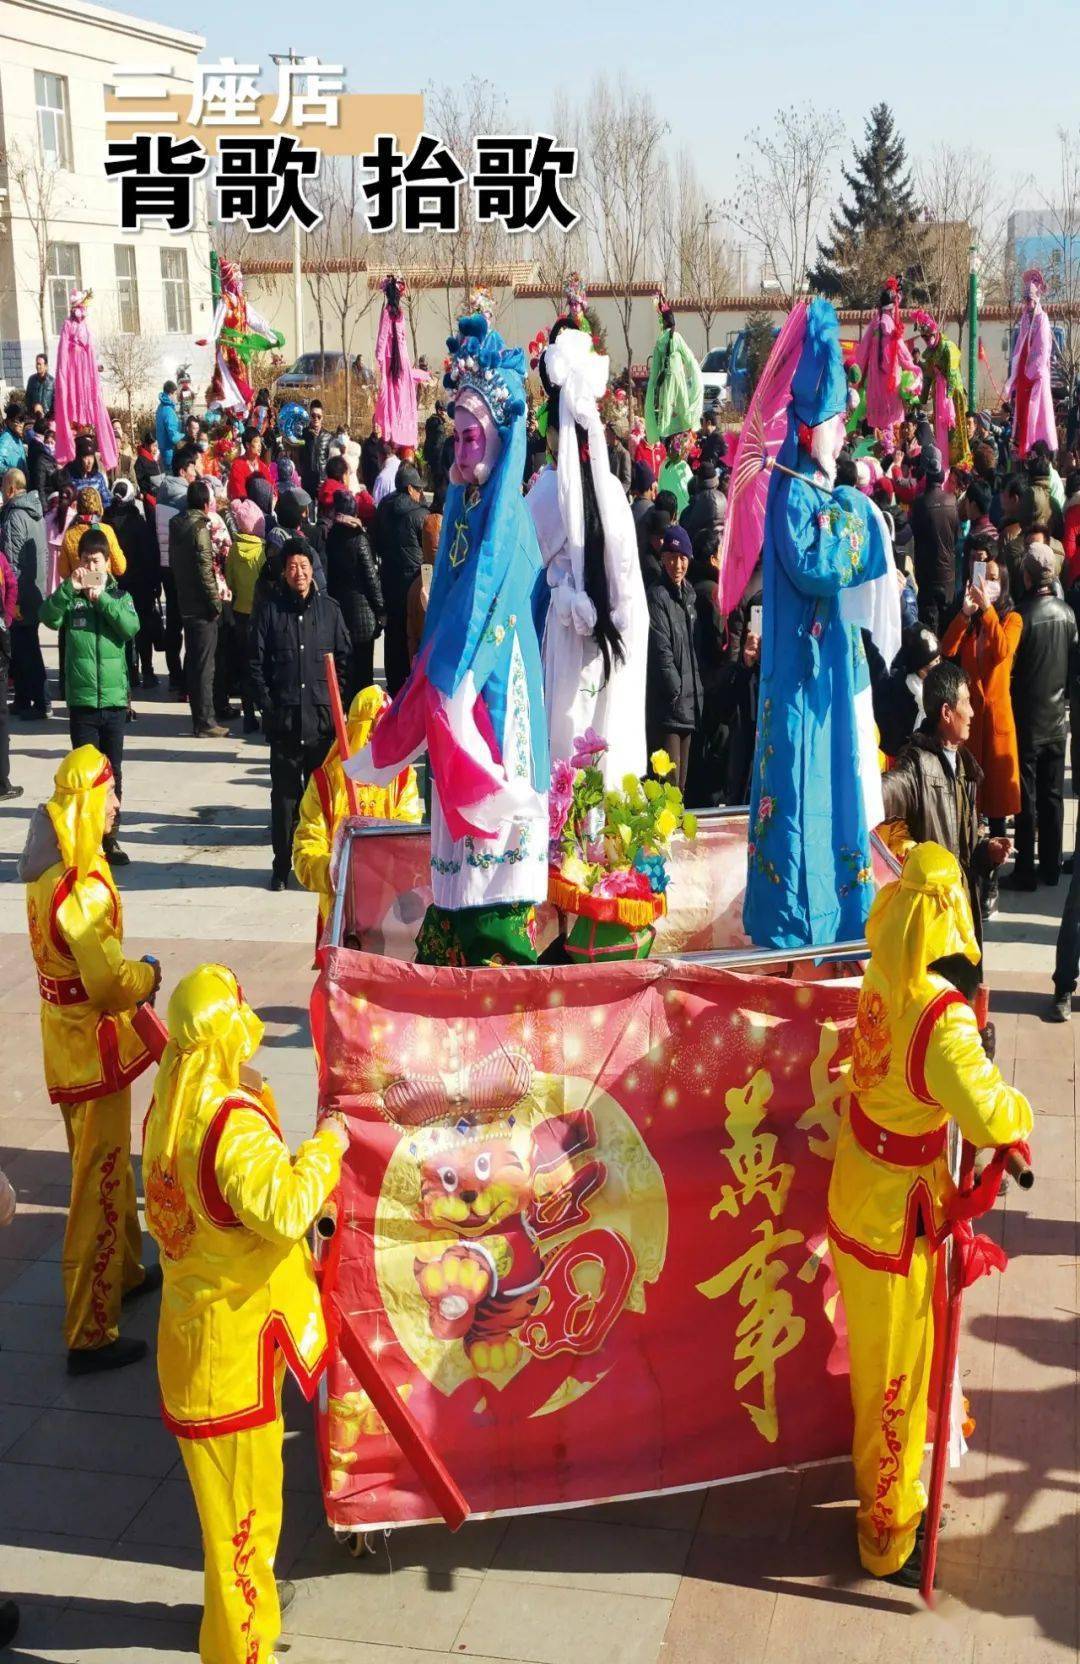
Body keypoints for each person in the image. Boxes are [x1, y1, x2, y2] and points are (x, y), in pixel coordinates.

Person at [827, 841, 1032, 1586]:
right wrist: (1017, 1111)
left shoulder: (886, 966)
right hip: (893, 1222)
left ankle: (899, 1489)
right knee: (896, 1382)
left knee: (889, 1369)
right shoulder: (941, 1019)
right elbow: (986, 1112)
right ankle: (886, 1535)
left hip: (863, 1190)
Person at [142, 964, 346, 1664]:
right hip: (232, 1356)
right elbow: (288, 1210)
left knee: (226, 1516)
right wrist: (328, 1148)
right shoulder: (228, 1125)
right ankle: (241, 1648)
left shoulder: (170, 1098)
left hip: (193, 1340)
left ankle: (238, 1613)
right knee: (244, 1523)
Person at [345, 305, 548, 968]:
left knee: (490, 798)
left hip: (493, 681)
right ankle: (459, 921)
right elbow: (445, 609)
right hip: (456, 677)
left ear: (498, 439)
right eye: (455, 439)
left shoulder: (509, 519)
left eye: (471, 438)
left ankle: (493, 937)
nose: (461, 451)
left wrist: (449, 679)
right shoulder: (462, 503)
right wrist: (426, 680)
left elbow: (486, 598)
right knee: (456, 811)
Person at [743, 298, 900, 951]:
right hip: (804, 685)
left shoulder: (809, 487)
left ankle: (835, 917)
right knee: (803, 791)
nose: (845, 434)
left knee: (836, 786)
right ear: (811, 430)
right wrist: (857, 501)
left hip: (825, 674)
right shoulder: (795, 491)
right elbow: (817, 564)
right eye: (839, 423)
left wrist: (845, 494)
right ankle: (800, 929)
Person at [18, 745, 161, 1372]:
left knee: (98, 1166)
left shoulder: (49, 869)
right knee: (96, 1185)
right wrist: (147, 976)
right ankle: (87, 1329)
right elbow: (107, 983)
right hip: (92, 1045)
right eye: (111, 795)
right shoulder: (78, 886)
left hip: (66, 1038)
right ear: (87, 802)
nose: (118, 807)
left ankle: (124, 1272)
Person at [529, 321, 648, 782]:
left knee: (566, 766)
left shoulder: (549, 494)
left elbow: (515, 559)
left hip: (570, 644)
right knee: (601, 764)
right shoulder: (613, 491)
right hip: (610, 647)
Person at [881, 662, 1010, 999]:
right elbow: (882, 794)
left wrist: (986, 852)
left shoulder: (965, 766)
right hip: (932, 922)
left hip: (962, 911)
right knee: (938, 1012)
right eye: (966, 702)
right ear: (947, 712)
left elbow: (965, 848)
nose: (972, 711)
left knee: (963, 1006)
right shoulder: (916, 764)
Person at [249, 543, 351, 891]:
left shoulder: (330, 611)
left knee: (325, 799)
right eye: (293, 566)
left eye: (305, 565)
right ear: (284, 572)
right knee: (285, 800)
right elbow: (255, 665)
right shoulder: (269, 612)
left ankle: (326, 865)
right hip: (286, 725)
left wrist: (338, 710)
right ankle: (281, 867)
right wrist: (269, 707)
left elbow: (345, 660)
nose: (299, 572)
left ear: (313, 569)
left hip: (322, 727)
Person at [40, 528, 139, 864]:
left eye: (96, 560)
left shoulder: (119, 596)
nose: (90, 565)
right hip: (82, 701)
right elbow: (48, 617)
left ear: (108, 563)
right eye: (84, 560)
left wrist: (103, 599)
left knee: (113, 772)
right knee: (84, 775)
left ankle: (110, 837)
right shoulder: (72, 598)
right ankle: (87, 838)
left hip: (112, 701)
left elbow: (130, 627)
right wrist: (71, 587)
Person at [293, 686, 422, 934]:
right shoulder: (324, 784)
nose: (376, 739)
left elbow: (407, 840)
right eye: (371, 730)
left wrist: (377, 869)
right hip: (341, 914)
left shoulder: (403, 779)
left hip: (390, 914)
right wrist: (340, 872)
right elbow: (305, 854)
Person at [939, 558, 1021, 913]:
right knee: (972, 806)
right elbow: (946, 650)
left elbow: (1002, 651)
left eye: (993, 579)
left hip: (998, 726)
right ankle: (972, 873)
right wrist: (965, 614)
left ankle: (993, 883)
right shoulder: (973, 621)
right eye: (982, 578)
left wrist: (987, 611)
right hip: (971, 726)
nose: (987, 585)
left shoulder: (1011, 620)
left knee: (998, 811)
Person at [1006, 546, 1077, 890]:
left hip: (1027, 720)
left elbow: (1009, 669)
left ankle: (1025, 869)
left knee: (1028, 798)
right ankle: (1050, 865)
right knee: (1052, 796)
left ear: (1028, 576)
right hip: (1055, 719)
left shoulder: (1021, 617)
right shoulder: (1067, 614)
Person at [645, 525, 703, 792]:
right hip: (669, 707)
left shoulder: (690, 596)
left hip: (689, 705)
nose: (677, 565)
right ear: (663, 558)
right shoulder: (657, 596)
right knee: (667, 785)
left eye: (682, 559)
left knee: (680, 786)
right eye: (671, 557)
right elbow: (661, 651)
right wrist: (675, 690)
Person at [170, 478, 228, 739]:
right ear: (206, 504)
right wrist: (215, 602)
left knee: (194, 660)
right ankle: (205, 720)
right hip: (202, 605)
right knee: (205, 664)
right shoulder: (199, 528)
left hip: (185, 599)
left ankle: (199, 716)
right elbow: (206, 569)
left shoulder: (177, 525)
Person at [373, 461, 428, 697]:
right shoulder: (420, 515)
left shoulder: (383, 508)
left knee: (392, 633)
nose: (420, 493)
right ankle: (410, 684)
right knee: (413, 634)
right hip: (412, 582)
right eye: (418, 488)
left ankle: (394, 684)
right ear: (409, 489)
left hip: (388, 579)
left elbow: (374, 542)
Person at [324, 490, 383, 701]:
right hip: (362, 614)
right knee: (364, 674)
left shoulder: (331, 536)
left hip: (340, 611)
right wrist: (381, 610)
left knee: (346, 670)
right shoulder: (359, 538)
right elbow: (371, 579)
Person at [1, 466, 50, 719]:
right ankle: (22, 699)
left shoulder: (13, 517)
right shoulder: (35, 513)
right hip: (36, 589)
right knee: (23, 649)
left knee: (27, 650)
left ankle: (41, 702)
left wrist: (13, 600)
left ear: (10, 489)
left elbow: (10, 563)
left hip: (20, 594)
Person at [105, 478, 159, 688]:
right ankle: (147, 670)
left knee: (119, 630)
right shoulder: (138, 523)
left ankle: (128, 672)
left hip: (114, 585)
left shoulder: (105, 521)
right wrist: (155, 583)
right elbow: (150, 554)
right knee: (142, 628)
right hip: (140, 585)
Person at [224, 498, 266, 734]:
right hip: (260, 615)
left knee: (246, 666)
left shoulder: (233, 551)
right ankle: (266, 713)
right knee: (263, 666)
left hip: (240, 613)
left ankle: (248, 716)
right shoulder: (261, 551)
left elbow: (229, 582)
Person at [1007, 268, 1057, 459]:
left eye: (1030, 300)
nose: (1027, 303)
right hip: (1024, 378)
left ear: (1037, 299)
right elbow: (1019, 348)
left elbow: (1041, 352)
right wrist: (1015, 374)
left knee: (1036, 415)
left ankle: (1037, 450)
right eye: (1025, 299)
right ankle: (1022, 448)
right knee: (1022, 415)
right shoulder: (1025, 319)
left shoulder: (1042, 319)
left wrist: (1028, 373)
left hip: (1036, 378)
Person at [909, 444, 959, 633]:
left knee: (929, 626)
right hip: (947, 574)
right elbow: (955, 537)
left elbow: (915, 537)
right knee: (946, 624)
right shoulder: (952, 501)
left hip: (927, 574)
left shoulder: (920, 504)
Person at [873, 624, 940, 760]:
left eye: (939, 662)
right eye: (929, 669)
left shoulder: (939, 686)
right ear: (916, 668)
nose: (936, 673)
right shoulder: (900, 692)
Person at [679, 461, 726, 557]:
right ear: (716, 482)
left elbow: (686, 529)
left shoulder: (695, 505)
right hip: (721, 551)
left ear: (698, 483)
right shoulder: (724, 498)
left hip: (701, 554)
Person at [226, 427, 271, 503]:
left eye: (260, 442)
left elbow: (271, 487)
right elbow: (239, 493)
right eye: (256, 442)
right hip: (246, 508)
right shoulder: (237, 465)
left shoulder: (263, 466)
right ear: (247, 445)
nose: (260, 445)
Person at [65, 434, 111, 509]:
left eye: (92, 457)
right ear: (79, 458)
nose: (89, 462)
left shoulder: (98, 477)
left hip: (96, 516)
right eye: (86, 457)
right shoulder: (69, 477)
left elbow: (107, 500)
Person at [298, 398, 332, 497]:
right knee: (309, 512)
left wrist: (327, 480)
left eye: (319, 416)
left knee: (323, 512)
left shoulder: (328, 436)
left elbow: (330, 460)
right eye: (313, 416)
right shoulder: (303, 434)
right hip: (307, 483)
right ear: (310, 416)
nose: (316, 418)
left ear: (322, 417)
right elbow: (299, 457)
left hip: (323, 482)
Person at [25, 414, 60, 505]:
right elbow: (40, 484)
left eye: (52, 442)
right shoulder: (39, 449)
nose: (50, 445)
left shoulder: (34, 444)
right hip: (45, 497)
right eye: (48, 442)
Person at [155, 379, 183, 472]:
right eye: (175, 394)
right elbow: (174, 437)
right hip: (169, 453)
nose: (176, 397)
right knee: (171, 478)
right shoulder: (168, 411)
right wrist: (185, 435)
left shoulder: (160, 407)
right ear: (171, 394)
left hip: (162, 449)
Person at [0, 401, 27, 474]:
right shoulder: (6, 439)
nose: (21, 425)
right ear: (8, 421)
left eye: (23, 420)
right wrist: (12, 474)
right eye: (17, 421)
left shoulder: (17, 438)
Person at [26, 351, 55, 417]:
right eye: (37, 364)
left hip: (48, 418)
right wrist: (34, 406)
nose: (37, 366)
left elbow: (55, 402)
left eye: (40, 364)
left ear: (45, 366)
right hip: (34, 417)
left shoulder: (52, 381)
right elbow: (27, 398)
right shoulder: (31, 380)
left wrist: (47, 414)